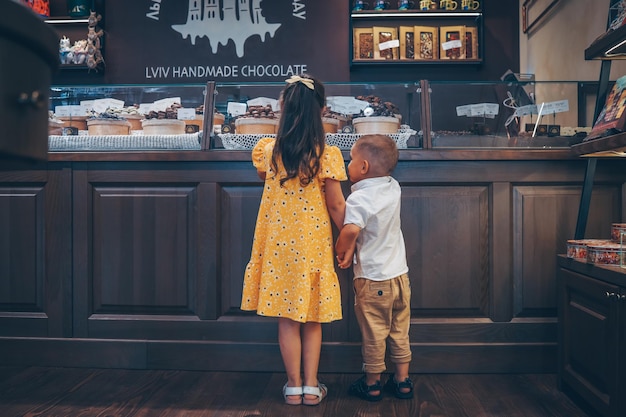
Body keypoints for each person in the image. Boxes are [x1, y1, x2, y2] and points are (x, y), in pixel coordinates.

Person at [240, 74, 347, 406]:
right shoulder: (327, 154)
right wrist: (349, 236)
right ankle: (313, 387)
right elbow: (335, 204)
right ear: (322, 111)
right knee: (312, 317)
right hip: (312, 247)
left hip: (277, 247)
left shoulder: (269, 152)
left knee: (288, 319)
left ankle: (293, 386)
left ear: (282, 108)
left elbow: (263, 176)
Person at [335, 134, 413, 402]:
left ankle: (372, 384)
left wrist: (342, 250)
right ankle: (403, 382)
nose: (348, 165)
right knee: (399, 331)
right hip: (400, 277)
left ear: (364, 167)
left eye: (351, 160)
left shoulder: (359, 199)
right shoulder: (394, 187)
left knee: (374, 334)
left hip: (373, 280)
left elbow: (351, 229)